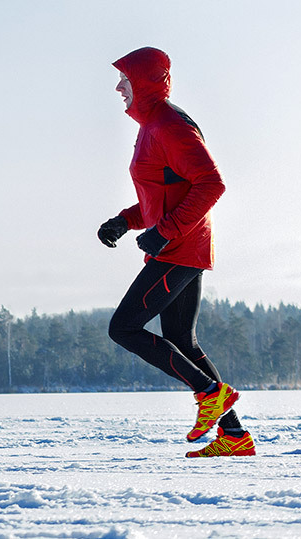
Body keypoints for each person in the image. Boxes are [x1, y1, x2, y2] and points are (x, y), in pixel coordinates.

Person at [97, 46, 255, 458]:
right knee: (180, 339)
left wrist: (164, 233)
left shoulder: (169, 125)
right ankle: (234, 437)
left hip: (180, 247)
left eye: (125, 80)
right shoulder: (150, 127)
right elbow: (165, 192)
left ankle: (209, 393)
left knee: (123, 328)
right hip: (180, 245)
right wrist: (124, 221)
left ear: (145, 82)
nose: (118, 87)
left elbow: (211, 183)